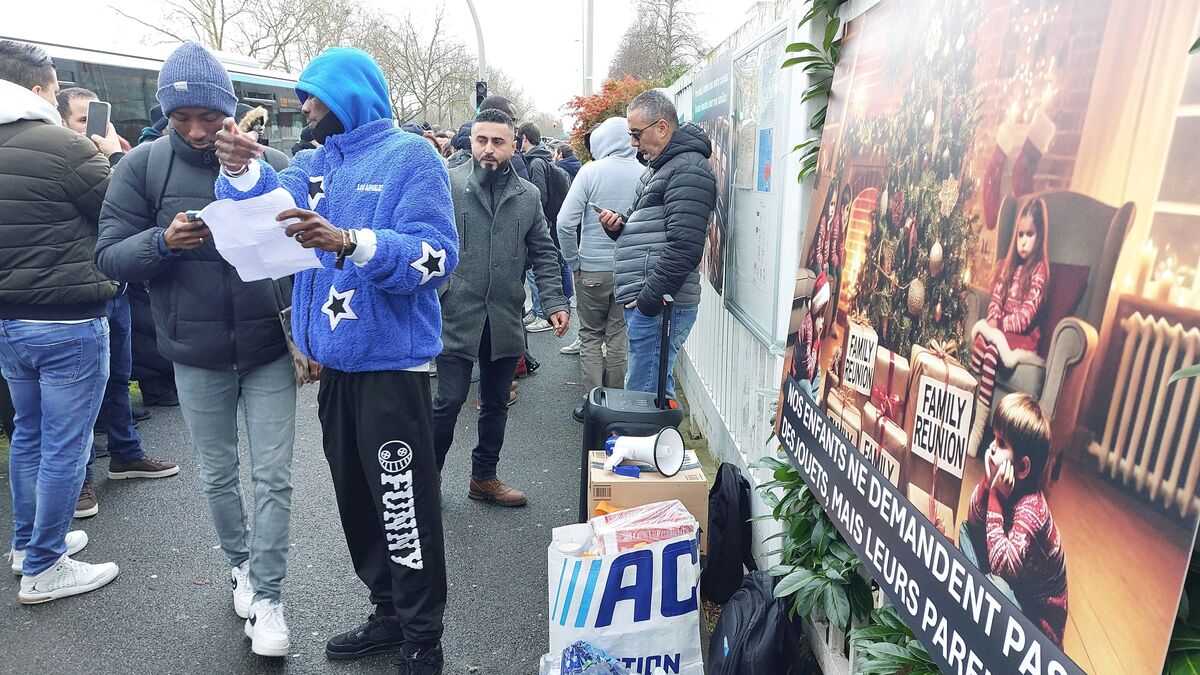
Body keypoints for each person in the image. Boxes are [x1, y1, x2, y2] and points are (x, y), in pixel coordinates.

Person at [213, 47, 457, 675]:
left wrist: (351, 241)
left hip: (393, 369)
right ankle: (387, 615)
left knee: (403, 507)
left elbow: (438, 255)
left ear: (349, 94)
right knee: (356, 502)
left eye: (314, 95)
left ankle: (422, 637)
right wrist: (241, 171)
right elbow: (266, 207)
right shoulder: (314, 162)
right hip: (335, 372)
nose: (305, 107)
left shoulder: (413, 157)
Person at [95, 42, 296, 657]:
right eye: (182, 118)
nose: (198, 130)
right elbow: (108, 255)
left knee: (274, 476)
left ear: (229, 110)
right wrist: (163, 241)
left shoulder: (271, 162)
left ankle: (267, 597)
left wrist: (306, 334)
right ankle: (240, 566)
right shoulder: (142, 168)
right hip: (193, 347)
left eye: (209, 116)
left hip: (267, 347)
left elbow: (301, 254)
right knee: (217, 474)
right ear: (166, 115)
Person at [0, 39, 120, 603]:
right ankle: (46, 566)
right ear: (38, 89)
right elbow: (116, 211)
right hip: (68, 320)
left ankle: (28, 546)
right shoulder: (62, 146)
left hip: (8, 320)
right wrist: (106, 153)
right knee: (65, 444)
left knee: (28, 434)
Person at [435, 108, 569, 508]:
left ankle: (484, 477)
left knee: (496, 402)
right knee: (448, 401)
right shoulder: (449, 184)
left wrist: (555, 302)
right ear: (471, 142)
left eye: (497, 142)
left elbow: (544, 253)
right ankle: (430, 477)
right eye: (481, 140)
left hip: (505, 314)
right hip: (456, 312)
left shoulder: (528, 196)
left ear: (514, 145)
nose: (488, 150)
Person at [56, 86, 180, 519]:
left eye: (99, 119)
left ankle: (126, 454)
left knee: (118, 376)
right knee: (80, 391)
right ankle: (82, 477)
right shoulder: (64, 158)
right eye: (81, 120)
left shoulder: (102, 158)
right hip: (76, 290)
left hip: (113, 286)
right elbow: (113, 203)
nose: (93, 128)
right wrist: (114, 159)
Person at [597, 90, 715, 400]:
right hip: (657, 304)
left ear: (661, 127)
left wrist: (649, 301)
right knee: (652, 392)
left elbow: (685, 248)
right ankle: (654, 446)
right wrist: (620, 226)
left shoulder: (686, 169)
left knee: (644, 399)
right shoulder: (665, 166)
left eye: (636, 134)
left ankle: (647, 448)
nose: (633, 143)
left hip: (661, 306)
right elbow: (657, 230)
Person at [962, 392, 1067, 648]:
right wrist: (988, 486)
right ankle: (975, 602)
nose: (991, 447)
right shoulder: (1008, 488)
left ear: (1022, 468)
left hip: (1037, 629)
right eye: (994, 437)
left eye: (1001, 442)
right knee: (966, 532)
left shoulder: (1032, 510)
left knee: (995, 584)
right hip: (1016, 586)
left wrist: (996, 497)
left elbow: (1003, 569)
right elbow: (974, 523)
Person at [557, 117, 640, 421]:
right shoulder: (647, 173)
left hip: (591, 270)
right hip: (630, 271)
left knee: (591, 335)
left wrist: (574, 263)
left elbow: (565, 223)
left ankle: (594, 405)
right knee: (619, 336)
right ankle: (617, 402)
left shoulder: (590, 172)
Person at [968, 198, 1050, 451]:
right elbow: (996, 299)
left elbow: (1026, 314)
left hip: (1020, 337)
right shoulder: (1007, 266)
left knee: (992, 350)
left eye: (1030, 235)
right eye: (1020, 235)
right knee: (982, 343)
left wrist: (1000, 324)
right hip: (1001, 331)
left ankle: (979, 427)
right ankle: (969, 412)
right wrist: (993, 317)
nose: (1024, 241)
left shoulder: (1039, 270)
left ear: (1040, 236)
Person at [518, 121, 574, 334]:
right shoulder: (544, 158)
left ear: (524, 139)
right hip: (552, 219)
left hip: (545, 222)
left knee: (540, 266)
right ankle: (543, 309)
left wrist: (534, 219)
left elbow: (539, 195)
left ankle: (542, 312)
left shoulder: (536, 162)